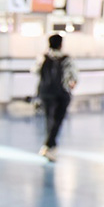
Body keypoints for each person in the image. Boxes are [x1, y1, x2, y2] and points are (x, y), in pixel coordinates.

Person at [35, 33, 77, 162]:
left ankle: (51, 146)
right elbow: (73, 77)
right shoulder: (66, 59)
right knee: (57, 120)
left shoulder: (42, 57)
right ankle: (48, 146)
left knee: (49, 119)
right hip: (61, 94)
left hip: (45, 93)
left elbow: (36, 71)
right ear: (61, 44)